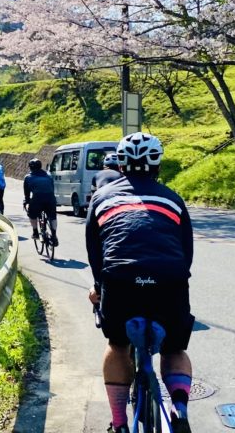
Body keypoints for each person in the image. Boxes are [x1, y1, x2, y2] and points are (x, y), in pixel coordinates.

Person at [86, 132, 194, 433]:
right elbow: (186, 254)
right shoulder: (173, 199)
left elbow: (96, 254)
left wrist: (99, 288)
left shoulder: (101, 198)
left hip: (120, 282)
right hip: (169, 281)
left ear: (121, 165)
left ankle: (120, 424)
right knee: (174, 349)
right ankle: (179, 408)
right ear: (158, 165)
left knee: (118, 346)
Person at [22, 158, 58, 246]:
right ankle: (54, 235)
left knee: (32, 214)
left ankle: (35, 232)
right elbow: (52, 189)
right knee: (52, 217)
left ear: (30, 167)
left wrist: (26, 201)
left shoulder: (28, 177)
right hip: (50, 199)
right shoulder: (49, 175)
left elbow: (27, 193)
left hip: (37, 199)